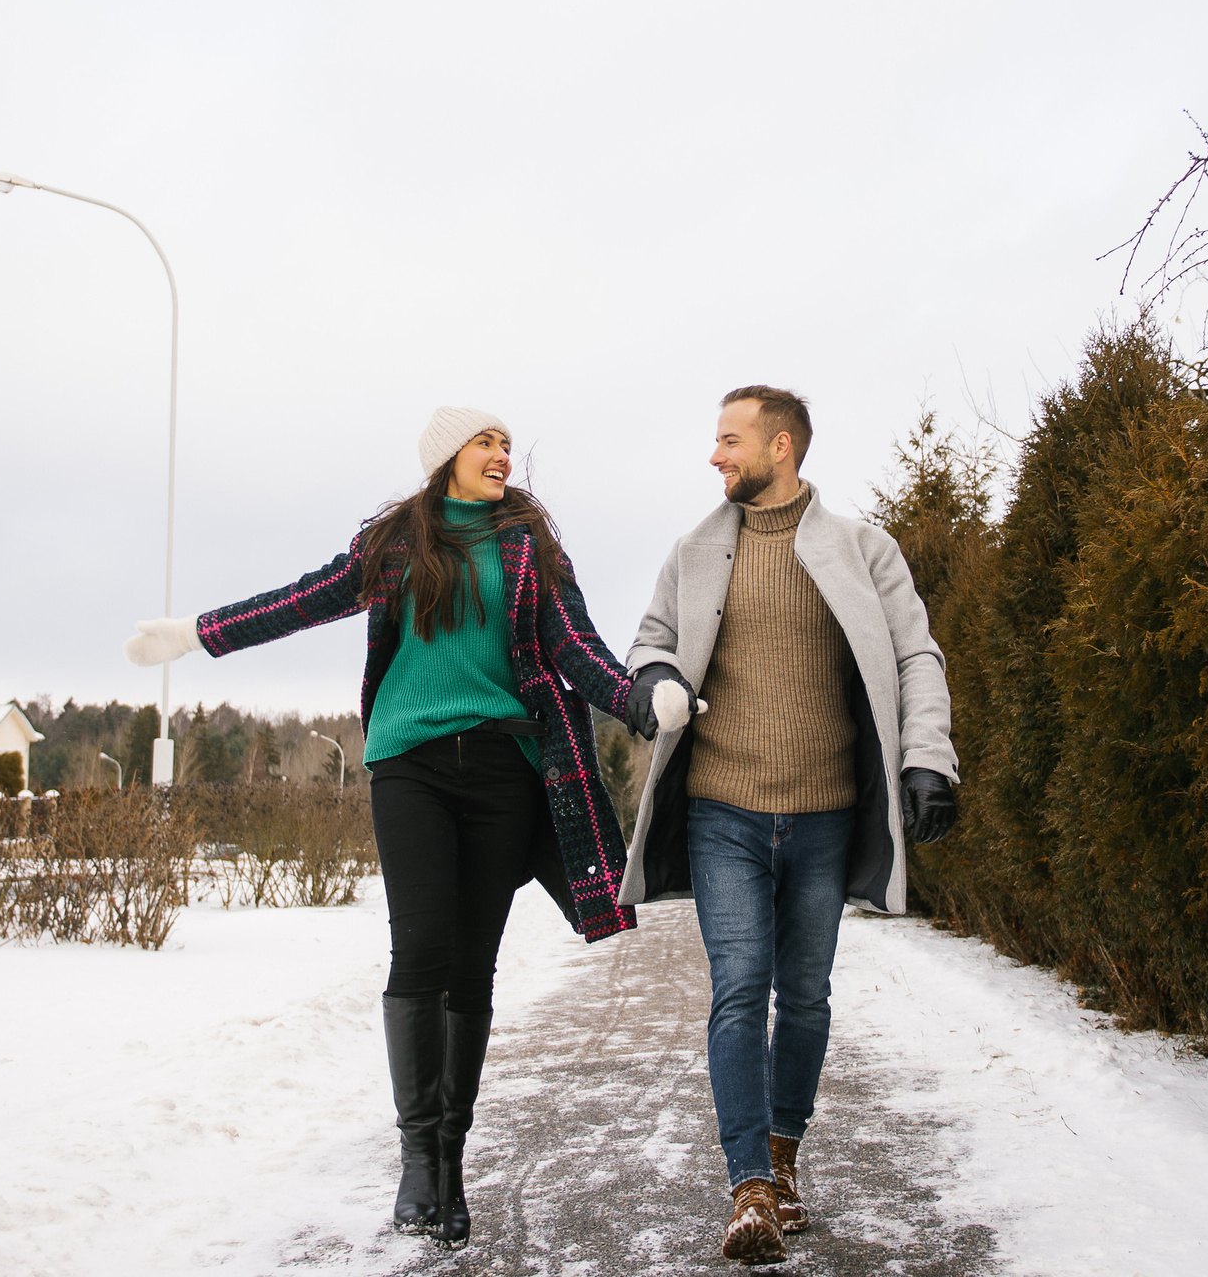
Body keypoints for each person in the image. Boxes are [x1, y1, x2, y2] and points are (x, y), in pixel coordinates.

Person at [120, 406, 640, 1247]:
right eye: (485, 442)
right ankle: (417, 1162)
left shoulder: (532, 546)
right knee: (421, 950)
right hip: (411, 765)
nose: (502, 454)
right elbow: (300, 602)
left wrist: (640, 702)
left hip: (506, 770)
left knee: (470, 967)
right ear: (447, 457)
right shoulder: (398, 542)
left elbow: (576, 646)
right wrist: (194, 635)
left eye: (506, 444)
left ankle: (451, 1161)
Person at [610, 385, 959, 1267]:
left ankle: (783, 1152)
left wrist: (928, 757)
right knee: (740, 988)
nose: (715, 455)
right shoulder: (694, 551)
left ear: (782, 447)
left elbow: (916, 655)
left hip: (825, 815)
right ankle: (750, 1190)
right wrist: (654, 681)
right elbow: (649, 642)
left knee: (804, 997)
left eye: (731, 440)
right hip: (721, 811)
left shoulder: (864, 550)